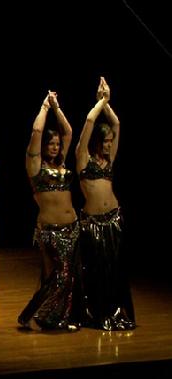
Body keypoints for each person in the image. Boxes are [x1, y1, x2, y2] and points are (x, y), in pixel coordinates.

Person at [75, 77, 135, 331]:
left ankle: (116, 312)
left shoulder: (109, 161)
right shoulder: (83, 158)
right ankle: (95, 313)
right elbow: (89, 122)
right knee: (95, 270)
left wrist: (107, 102)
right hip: (92, 224)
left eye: (111, 142)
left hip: (114, 219)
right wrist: (100, 103)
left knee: (115, 270)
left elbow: (117, 123)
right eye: (106, 142)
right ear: (97, 142)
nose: (110, 145)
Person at [19, 91, 81, 331]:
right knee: (57, 276)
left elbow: (68, 133)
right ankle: (36, 317)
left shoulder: (62, 165)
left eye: (57, 144)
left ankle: (56, 318)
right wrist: (45, 108)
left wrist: (58, 108)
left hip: (72, 228)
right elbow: (36, 133)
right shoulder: (35, 166)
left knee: (66, 277)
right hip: (50, 231)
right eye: (51, 144)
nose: (55, 147)